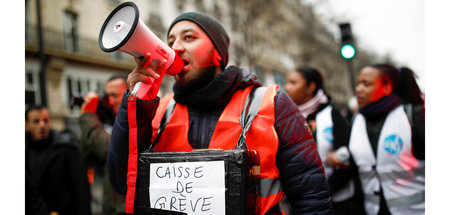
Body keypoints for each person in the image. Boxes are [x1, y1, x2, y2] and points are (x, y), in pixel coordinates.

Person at [107, 12, 333, 214]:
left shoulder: (271, 102)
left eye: (188, 37)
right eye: (170, 41)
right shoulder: (157, 109)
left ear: (218, 54)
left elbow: (312, 197)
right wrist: (137, 100)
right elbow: (122, 182)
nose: (175, 48)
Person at [333, 64, 425, 215]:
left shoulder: (414, 116)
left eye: (366, 84)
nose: (358, 89)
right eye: (358, 84)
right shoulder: (357, 121)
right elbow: (359, 162)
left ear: (387, 87)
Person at [284, 66, 364, 215]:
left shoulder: (331, 115)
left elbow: (349, 159)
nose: (287, 87)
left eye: (293, 83)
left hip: (338, 204)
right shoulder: (285, 118)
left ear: (311, 87)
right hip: (301, 205)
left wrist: (325, 191)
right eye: (287, 82)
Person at [25, 105, 91, 215]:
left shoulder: (66, 147)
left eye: (45, 120)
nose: (42, 125)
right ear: (26, 125)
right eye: (36, 121)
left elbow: (81, 188)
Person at [79, 74, 128, 215]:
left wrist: (88, 116)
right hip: (111, 207)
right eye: (107, 97)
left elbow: (110, 149)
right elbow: (87, 159)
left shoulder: (137, 121)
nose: (110, 102)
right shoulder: (111, 122)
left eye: (115, 96)